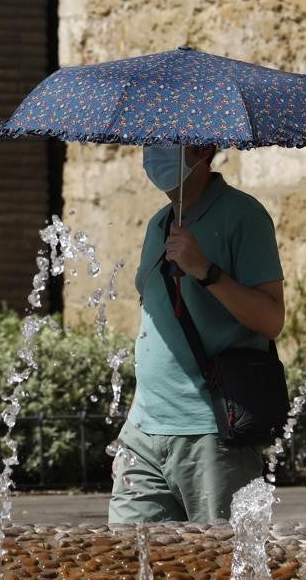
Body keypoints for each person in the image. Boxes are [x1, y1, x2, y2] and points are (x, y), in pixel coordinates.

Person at [109, 144, 285, 523]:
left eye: (167, 140)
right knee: (126, 566)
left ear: (203, 148)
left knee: (218, 570)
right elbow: (156, 328)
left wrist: (205, 269)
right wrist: (130, 424)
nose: (153, 152)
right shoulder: (159, 224)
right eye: (150, 139)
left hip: (213, 434)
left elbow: (272, 319)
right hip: (143, 433)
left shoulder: (245, 216)